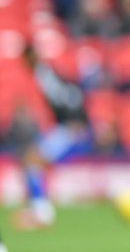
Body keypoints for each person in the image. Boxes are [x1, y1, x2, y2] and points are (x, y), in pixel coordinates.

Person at [13, 44, 93, 230]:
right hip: (65, 127)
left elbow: (68, 97)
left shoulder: (45, 74)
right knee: (31, 161)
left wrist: (76, 120)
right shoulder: (44, 74)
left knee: (32, 160)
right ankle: (40, 210)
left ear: (30, 58)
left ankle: (43, 213)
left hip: (69, 128)